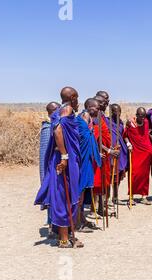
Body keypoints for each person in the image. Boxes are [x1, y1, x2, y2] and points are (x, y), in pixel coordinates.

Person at [35, 87, 83, 249]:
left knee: (69, 194)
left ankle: (68, 235)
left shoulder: (62, 111)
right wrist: (64, 156)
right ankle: (63, 239)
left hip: (68, 160)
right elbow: (58, 130)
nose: (78, 101)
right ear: (73, 97)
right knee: (64, 196)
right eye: (77, 98)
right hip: (65, 161)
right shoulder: (67, 110)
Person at [75, 99, 102, 232]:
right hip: (82, 159)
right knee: (80, 190)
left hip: (87, 159)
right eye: (97, 108)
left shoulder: (90, 120)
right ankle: (78, 222)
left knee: (85, 189)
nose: (99, 110)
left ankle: (82, 219)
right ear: (90, 107)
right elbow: (83, 138)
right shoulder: (83, 117)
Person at [39, 102, 61, 238]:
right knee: (51, 195)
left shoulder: (57, 125)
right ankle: (52, 226)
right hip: (50, 169)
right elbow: (44, 154)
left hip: (58, 167)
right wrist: (44, 175)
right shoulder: (48, 128)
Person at [124, 108, 152, 204]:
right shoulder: (130, 123)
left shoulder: (146, 122)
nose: (143, 117)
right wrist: (128, 144)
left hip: (146, 153)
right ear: (136, 115)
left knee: (145, 175)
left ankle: (144, 196)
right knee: (134, 173)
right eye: (141, 115)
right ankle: (131, 197)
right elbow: (125, 136)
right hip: (135, 152)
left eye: (144, 115)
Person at [108, 104, 128, 205]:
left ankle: (115, 197)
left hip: (121, 151)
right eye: (115, 111)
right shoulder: (107, 122)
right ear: (111, 112)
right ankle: (106, 198)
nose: (118, 113)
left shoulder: (120, 122)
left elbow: (123, 135)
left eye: (119, 111)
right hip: (111, 152)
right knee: (110, 175)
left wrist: (128, 143)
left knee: (118, 176)